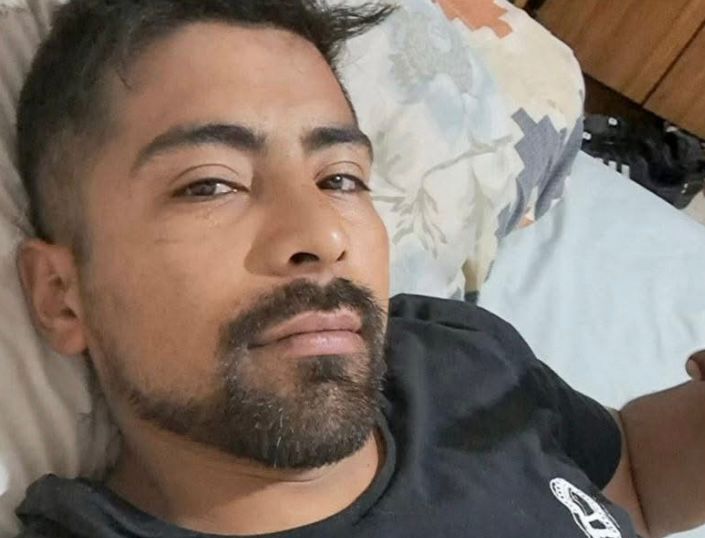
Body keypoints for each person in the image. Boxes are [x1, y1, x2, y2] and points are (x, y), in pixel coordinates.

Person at [12, 0, 705, 536]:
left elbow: (630, 483)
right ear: (62, 297)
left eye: (340, 178)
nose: (322, 234)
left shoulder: (453, 357)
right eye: (211, 184)